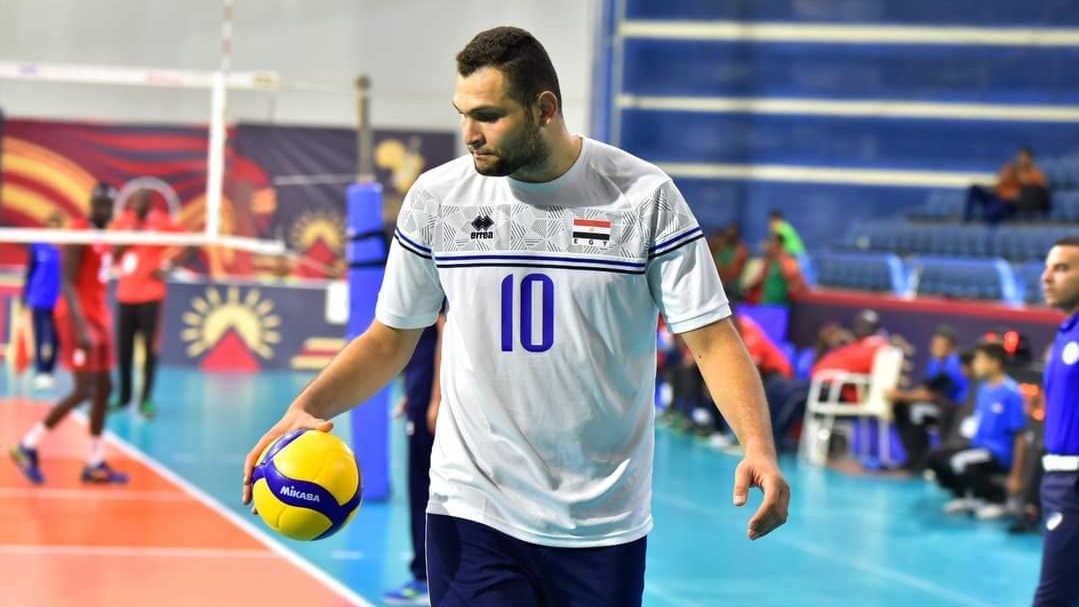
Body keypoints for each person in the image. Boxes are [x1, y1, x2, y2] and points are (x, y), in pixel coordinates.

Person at [242, 26, 789, 607]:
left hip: (603, 523)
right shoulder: (437, 201)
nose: (469, 134)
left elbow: (712, 340)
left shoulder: (644, 198)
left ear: (544, 109)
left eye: (489, 116)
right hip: (473, 509)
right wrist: (309, 406)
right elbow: (389, 339)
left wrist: (758, 445)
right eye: (463, 114)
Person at [10, 183, 129, 485]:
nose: (104, 210)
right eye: (99, 204)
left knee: (105, 388)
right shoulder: (79, 233)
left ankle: (95, 462)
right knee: (83, 389)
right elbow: (67, 283)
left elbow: (104, 266)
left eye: (109, 205)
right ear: (91, 205)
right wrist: (80, 327)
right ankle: (27, 445)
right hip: (79, 320)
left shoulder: (105, 237)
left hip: (99, 318)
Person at [926, 341, 1026, 520]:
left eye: (979, 360)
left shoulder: (1012, 392)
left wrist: (1015, 475)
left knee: (959, 462)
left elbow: (1020, 435)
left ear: (994, 363)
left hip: (998, 454)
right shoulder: (983, 388)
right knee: (936, 458)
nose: (975, 365)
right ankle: (965, 496)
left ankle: (998, 499)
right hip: (977, 447)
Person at [1031, 235, 1079, 606]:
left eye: (1061, 268)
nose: (1046, 277)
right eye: (1047, 268)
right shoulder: (1065, 334)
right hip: (1057, 478)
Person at [109, 189, 185, 419]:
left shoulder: (161, 221)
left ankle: (146, 399)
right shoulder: (123, 221)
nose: (138, 206)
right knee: (123, 349)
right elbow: (113, 253)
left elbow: (190, 242)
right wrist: (130, 236)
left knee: (150, 349)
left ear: (150, 204)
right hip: (125, 296)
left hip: (151, 296)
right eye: (135, 202)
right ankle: (124, 396)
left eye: (142, 202)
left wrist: (170, 267)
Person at [384, 319, 442, 606]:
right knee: (421, 491)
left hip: (431, 404)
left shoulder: (442, 299)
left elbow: (446, 331)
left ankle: (426, 577)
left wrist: (436, 398)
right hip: (421, 395)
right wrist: (413, 391)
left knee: (426, 492)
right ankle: (426, 575)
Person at [888, 325, 970, 473]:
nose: (937, 348)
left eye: (942, 345)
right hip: (938, 406)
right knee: (902, 408)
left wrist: (900, 395)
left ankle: (922, 461)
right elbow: (925, 389)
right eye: (935, 344)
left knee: (914, 411)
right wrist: (902, 397)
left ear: (951, 347)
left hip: (955, 411)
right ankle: (914, 459)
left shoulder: (954, 364)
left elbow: (930, 395)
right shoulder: (934, 362)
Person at [22, 213, 65, 392]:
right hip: (39, 298)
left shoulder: (65, 249)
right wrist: (25, 296)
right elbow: (29, 272)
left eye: (57, 226)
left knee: (56, 338)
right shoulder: (38, 247)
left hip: (58, 301)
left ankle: (49, 371)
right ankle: (40, 373)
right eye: (51, 225)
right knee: (40, 336)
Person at [964, 147, 1049, 225]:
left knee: (990, 213)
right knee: (974, 188)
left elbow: (1040, 189)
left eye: (1024, 158)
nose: (1022, 160)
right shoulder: (1010, 168)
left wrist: (1024, 180)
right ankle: (967, 217)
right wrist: (1010, 174)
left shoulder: (1034, 173)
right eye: (1020, 157)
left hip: (1008, 202)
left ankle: (991, 217)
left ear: (1030, 159)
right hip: (996, 196)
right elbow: (1000, 181)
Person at [744, 233, 807, 306]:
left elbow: (797, 283)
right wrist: (750, 288)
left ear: (778, 244)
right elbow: (760, 279)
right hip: (765, 303)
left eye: (770, 241)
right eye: (768, 241)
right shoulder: (769, 261)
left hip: (779, 306)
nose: (767, 245)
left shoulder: (786, 261)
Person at [711, 225, 749, 302]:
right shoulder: (721, 248)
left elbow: (734, 271)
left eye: (733, 235)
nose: (730, 237)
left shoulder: (741, 250)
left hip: (731, 287)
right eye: (728, 235)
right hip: (718, 284)